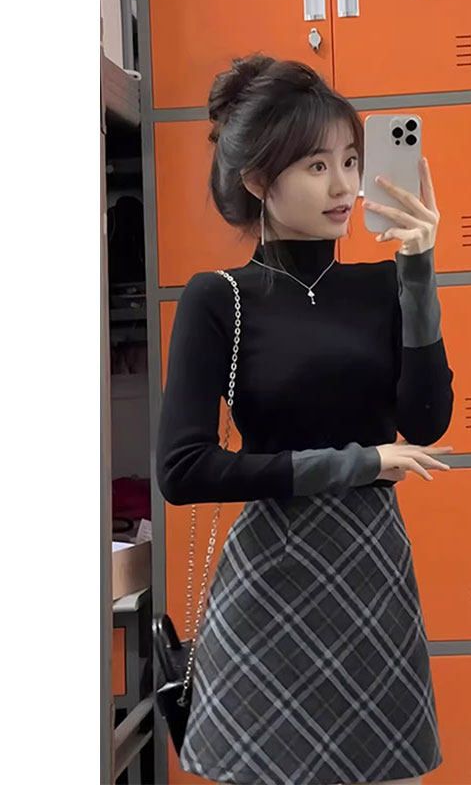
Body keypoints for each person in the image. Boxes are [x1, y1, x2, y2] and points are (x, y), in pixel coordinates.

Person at [155, 54, 455, 785]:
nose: (346, 186)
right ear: (259, 181)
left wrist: (418, 269)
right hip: (269, 584)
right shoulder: (217, 298)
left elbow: (426, 421)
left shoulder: (381, 286)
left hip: (372, 576)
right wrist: (360, 462)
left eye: (351, 161)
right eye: (318, 166)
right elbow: (183, 470)